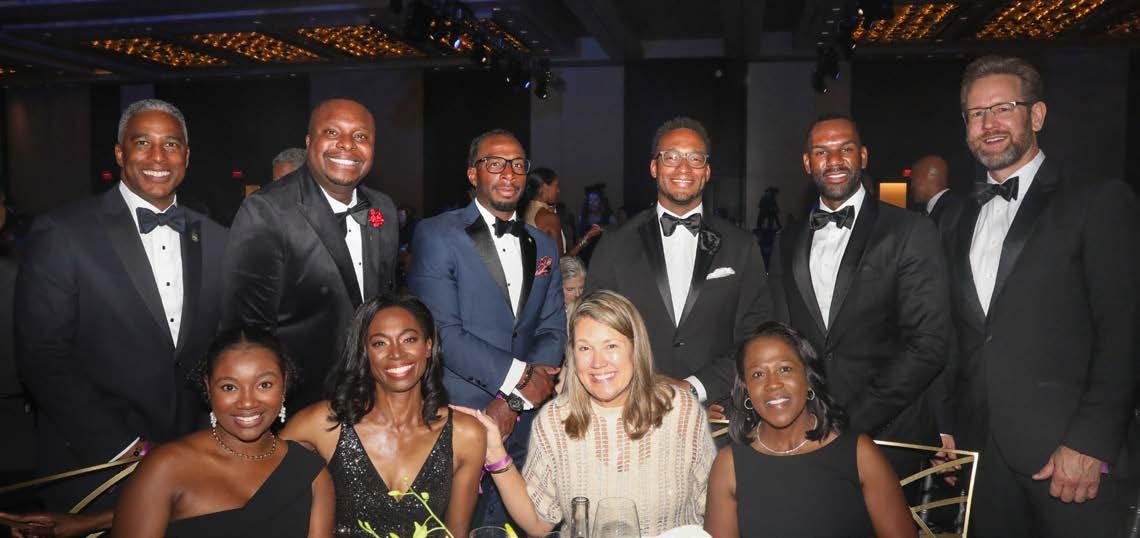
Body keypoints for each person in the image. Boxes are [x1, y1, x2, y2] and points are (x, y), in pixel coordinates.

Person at [947, 55, 1137, 536]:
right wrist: (946, 424)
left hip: (1069, 458)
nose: (989, 124)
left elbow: (1125, 332)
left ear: (1036, 115)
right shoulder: (954, 216)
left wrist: (1091, 442)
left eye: (1003, 108)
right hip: (982, 454)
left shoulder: (1097, 200)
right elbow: (957, 332)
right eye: (976, 113)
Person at [14, 98, 227, 510]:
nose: (157, 157)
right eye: (142, 142)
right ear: (119, 153)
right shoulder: (64, 232)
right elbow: (41, 357)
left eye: (170, 144)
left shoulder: (218, 239)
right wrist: (122, 447)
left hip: (191, 461)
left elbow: (219, 349)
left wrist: (207, 441)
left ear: (186, 156)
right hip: (94, 465)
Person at [767, 114, 950, 484]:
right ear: (807, 163)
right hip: (808, 429)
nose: (834, 160)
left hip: (889, 433)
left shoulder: (910, 231)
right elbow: (782, 338)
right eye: (822, 152)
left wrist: (850, 421)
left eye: (845, 149)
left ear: (863, 156)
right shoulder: (786, 240)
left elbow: (927, 344)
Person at [454, 290, 716, 537]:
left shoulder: (681, 411)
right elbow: (538, 523)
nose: (597, 362)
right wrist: (495, 452)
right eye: (585, 348)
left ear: (636, 349)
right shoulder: (555, 420)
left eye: (611, 346)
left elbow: (713, 507)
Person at [407, 129, 565, 526]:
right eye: (495, 163)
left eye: (518, 165)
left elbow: (552, 328)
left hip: (528, 419)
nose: (508, 173)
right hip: (459, 414)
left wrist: (514, 400)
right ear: (473, 174)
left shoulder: (543, 244)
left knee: (523, 523)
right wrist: (520, 380)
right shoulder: (437, 234)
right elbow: (442, 332)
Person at [588, 116, 772, 418]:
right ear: (654, 167)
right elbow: (594, 333)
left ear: (707, 171)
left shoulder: (741, 245)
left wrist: (696, 388)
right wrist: (646, 388)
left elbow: (756, 335)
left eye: (695, 158)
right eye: (671, 157)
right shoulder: (614, 244)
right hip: (632, 409)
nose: (683, 168)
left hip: (716, 412)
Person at [223, 98, 399, 408]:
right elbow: (248, 331)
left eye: (360, 136)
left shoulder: (382, 207)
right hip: (300, 400)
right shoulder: (267, 210)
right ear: (309, 142)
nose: (347, 144)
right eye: (332, 132)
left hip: (372, 393)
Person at [281, 295, 485, 537]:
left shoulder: (465, 435)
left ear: (428, 346)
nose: (396, 354)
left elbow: (456, 534)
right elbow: (257, 475)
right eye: (380, 343)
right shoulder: (325, 424)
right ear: (365, 352)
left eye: (409, 339)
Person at [111, 327, 334, 537]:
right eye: (229, 387)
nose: (247, 402)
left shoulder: (310, 474)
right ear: (209, 388)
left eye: (264, 385)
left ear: (284, 384)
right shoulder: (166, 467)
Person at [704, 322, 914, 537]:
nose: (773, 384)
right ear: (746, 388)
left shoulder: (860, 454)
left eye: (784, 369)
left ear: (808, 378)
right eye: (758, 374)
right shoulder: (729, 465)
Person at [521, 167, 602, 257]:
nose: (558, 190)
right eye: (556, 185)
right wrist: (587, 237)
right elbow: (561, 260)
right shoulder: (549, 217)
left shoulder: (528, 210)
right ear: (545, 187)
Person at [910, 154, 966, 239]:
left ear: (927, 176)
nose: (912, 186)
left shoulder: (954, 211)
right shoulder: (955, 206)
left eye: (913, 179)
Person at [574, 184, 610, 263]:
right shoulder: (582, 218)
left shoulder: (608, 218)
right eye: (590, 200)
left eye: (595, 200)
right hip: (587, 257)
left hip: (604, 257)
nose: (592, 203)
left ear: (600, 201)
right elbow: (578, 240)